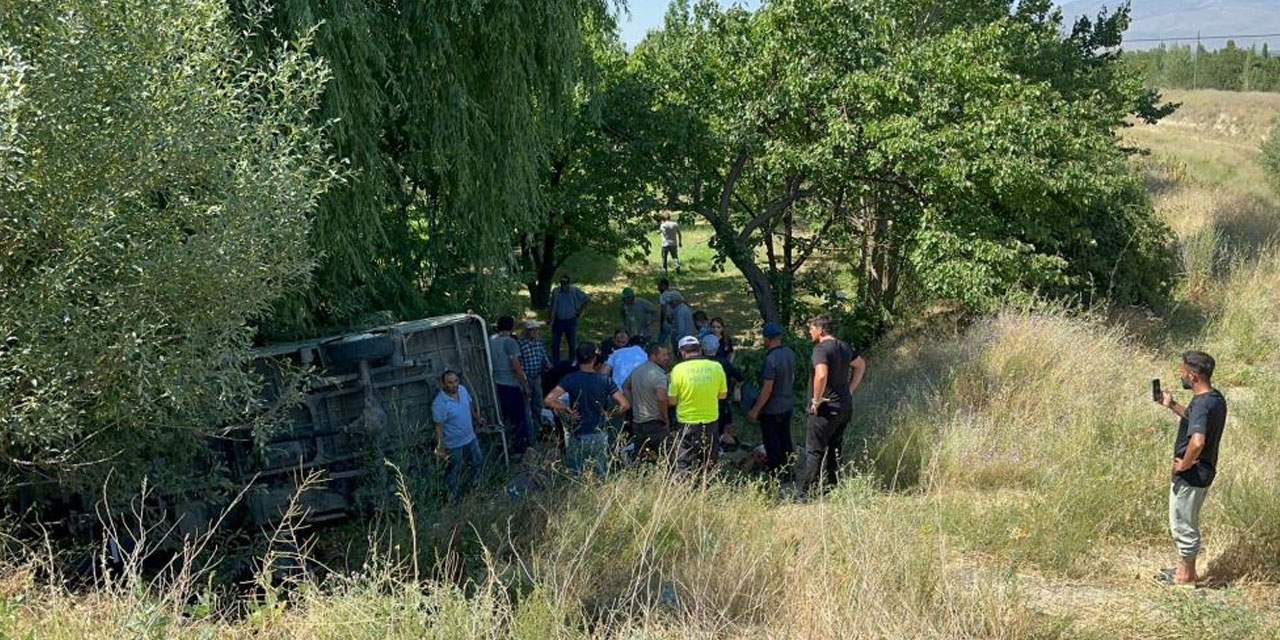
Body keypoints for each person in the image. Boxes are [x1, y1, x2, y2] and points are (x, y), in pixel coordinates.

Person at [1155, 351, 1227, 586]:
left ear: (1193, 376)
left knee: (1183, 523)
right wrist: (1172, 405)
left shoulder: (1203, 404)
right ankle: (1187, 572)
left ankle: (1185, 578)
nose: (1181, 375)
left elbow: (1198, 441)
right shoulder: (1214, 398)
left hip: (1192, 475)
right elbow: (1194, 417)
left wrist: (1183, 465)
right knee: (1187, 519)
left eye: (1183, 372)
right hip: (1205, 471)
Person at [801, 314, 866, 497]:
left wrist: (816, 399)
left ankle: (808, 494)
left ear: (820, 330)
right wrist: (849, 390)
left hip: (826, 408)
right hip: (844, 407)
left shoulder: (820, 349)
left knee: (814, 450)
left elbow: (821, 374)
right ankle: (832, 488)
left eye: (811, 328)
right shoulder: (844, 346)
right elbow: (860, 365)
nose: (809, 331)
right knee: (835, 447)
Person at [544, 343, 630, 478]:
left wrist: (566, 408)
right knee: (600, 474)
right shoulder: (605, 380)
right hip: (599, 434)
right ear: (594, 359)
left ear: (577, 360)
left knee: (575, 475)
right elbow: (624, 404)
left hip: (578, 434)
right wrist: (609, 414)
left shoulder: (570, 379)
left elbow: (549, 400)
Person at [667, 336, 728, 472]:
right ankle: (706, 488)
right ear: (700, 349)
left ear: (681, 352)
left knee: (684, 462)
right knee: (709, 460)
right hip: (710, 421)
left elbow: (671, 401)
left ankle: (684, 490)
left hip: (686, 423)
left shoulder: (678, 370)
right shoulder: (716, 367)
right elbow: (722, 395)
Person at [746, 323, 796, 476]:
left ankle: (776, 473)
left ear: (767, 339)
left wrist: (755, 410)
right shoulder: (789, 352)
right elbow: (792, 377)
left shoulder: (770, 359)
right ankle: (789, 470)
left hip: (772, 409)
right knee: (785, 439)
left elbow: (767, 388)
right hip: (787, 404)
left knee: (772, 442)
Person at [432, 370, 486, 503]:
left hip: (470, 437)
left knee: (477, 462)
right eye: (450, 382)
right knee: (453, 471)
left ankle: (474, 490)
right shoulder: (439, 403)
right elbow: (439, 428)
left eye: (456, 381)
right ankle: (453, 499)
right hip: (454, 443)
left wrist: (477, 418)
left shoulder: (462, 390)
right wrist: (440, 449)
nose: (454, 385)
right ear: (443, 384)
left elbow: (469, 406)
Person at [489, 316, 531, 457]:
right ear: (511, 327)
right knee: (519, 419)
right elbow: (516, 367)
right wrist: (525, 385)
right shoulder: (510, 342)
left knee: (503, 418)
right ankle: (519, 450)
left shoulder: (491, 340)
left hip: (496, 383)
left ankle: (503, 447)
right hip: (511, 385)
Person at [625, 343, 672, 463]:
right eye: (664, 355)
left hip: (638, 421)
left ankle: (639, 479)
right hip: (655, 422)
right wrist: (665, 418)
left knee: (640, 458)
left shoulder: (637, 370)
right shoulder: (659, 375)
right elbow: (661, 398)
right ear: (653, 356)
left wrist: (631, 405)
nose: (667, 358)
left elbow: (625, 387)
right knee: (663, 457)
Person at [702, 334, 743, 448]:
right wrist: (737, 388)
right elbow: (739, 376)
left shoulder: (698, 364)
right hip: (721, 400)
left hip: (702, 401)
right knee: (722, 424)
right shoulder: (724, 363)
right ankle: (721, 443)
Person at [518, 320, 552, 442]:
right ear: (527, 331)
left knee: (538, 403)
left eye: (537, 330)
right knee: (526, 405)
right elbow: (519, 363)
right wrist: (523, 381)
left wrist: (549, 366)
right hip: (525, 378)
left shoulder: (539, 343)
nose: (535, 332)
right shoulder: (521, 344)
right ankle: (528, 433)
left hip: (537, 377)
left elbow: (543, 357)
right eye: (532, 330)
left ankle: (538, 429)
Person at [548, 275, 589, 363]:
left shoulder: (574, 291)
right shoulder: (556, 291)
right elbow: (552, 306)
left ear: (569, 284)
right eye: (562, 284)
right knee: (555, 343)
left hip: (571, 320)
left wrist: (580, 311)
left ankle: (572, 361)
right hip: (558, 321)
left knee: (572, 343)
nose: (564, 287)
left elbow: (586, 299)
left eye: (566, 284)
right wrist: (551, 319)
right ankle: (556, 362)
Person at [657, 278, 680, 345]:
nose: (658, 288)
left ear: (664, 286)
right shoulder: (676, 293)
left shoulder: (663, 296)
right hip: (676, 319)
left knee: (662, 338)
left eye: (659, 286)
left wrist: (662, 323)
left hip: (668, 321)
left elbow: (664, 310)